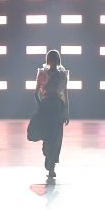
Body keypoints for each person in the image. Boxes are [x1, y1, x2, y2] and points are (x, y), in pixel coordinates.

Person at [34, 50, 69, 180]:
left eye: (55, 59)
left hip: (57, 108)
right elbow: (36, 92)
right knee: (48, 137)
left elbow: (65, 95)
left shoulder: (62, 75)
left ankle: (52, 166)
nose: (53, 62)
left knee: (57, 138)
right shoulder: (42, 74)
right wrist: (41, 106)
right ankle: (49, 158)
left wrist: (66, 112)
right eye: (51, 59)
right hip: (47, 107)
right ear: (48, 60)